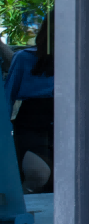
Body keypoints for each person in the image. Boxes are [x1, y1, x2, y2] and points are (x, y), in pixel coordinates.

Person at [4, 14, 54, 193]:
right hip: (33, 120)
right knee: (38, 174)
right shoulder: (25, 58)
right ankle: (21, 202)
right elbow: (8, 96)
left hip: (69, 120)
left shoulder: (83, 59)